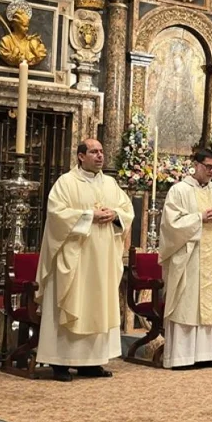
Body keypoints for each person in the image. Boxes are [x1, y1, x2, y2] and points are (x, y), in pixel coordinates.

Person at [34, 139, 134, 382]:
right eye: (93, 152)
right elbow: (56, 215)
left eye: (101, 152)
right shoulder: (66, 183)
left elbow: (127, 210)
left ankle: (92, 362)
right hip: (75, 259)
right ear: (80, 156)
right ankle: (60, 362)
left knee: (97, 304)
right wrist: (89, 216)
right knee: (72, 302)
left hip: (102, 260)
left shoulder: (110, 184)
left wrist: (116, 214)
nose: (100, 156)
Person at [159, 149, 212, 369]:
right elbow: (170, 224)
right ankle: (182, 357)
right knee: (188, 305)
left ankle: (208, 354)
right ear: (195, 165)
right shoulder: (178, 191)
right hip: (189, 258)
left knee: (211, 303)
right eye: (208, 167)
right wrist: (200, 218)